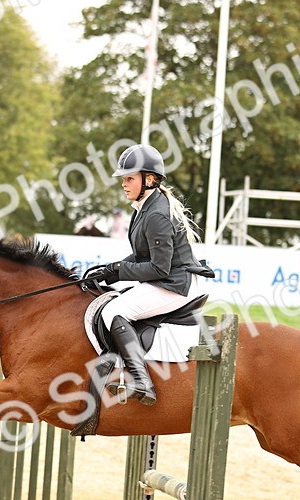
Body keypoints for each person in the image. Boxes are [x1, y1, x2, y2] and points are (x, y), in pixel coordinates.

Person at [81, 143, 213, 406]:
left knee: (113, 312)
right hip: (169, 279)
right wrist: (112, 270)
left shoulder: (156, 215)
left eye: (129, 178)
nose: (124, 184)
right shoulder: (145, 207)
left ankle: (142, 380)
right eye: (124, 179)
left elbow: (158, 268)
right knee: (113, 300)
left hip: (176, 285)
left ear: (149, 179)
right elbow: (143, 258)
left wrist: (118, 271)